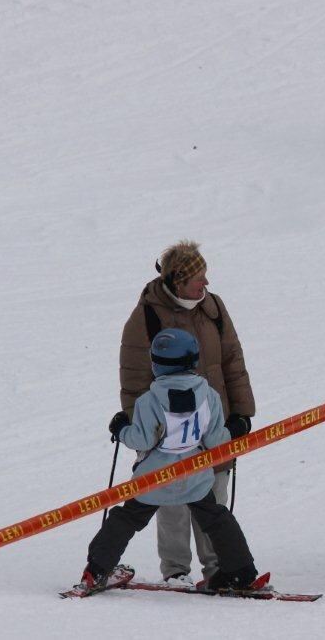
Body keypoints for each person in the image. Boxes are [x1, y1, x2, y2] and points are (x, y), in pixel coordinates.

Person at [119, 240, 255, 585]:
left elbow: (232, 361)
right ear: (177, 280)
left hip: (212, 419)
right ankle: (176, 570)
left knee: (214, 494)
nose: (205, 283)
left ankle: (218, 568)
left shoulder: (213, 307)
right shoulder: (147, 315)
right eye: (198, 277)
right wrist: (142, 428)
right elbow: (134, 378)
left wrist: (241, 411)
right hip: (168, 429)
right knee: (171, 499)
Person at [79, 329, 257, 591]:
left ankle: (97, 570)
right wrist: (237, 428)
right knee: (217, 519)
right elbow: (216, 440)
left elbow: (142, 441)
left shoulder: (148, 401)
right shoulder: (209, 396)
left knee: (125, 519)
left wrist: (121, 430)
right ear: (194, 361)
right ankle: (241, 573)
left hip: (155, 479)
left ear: (155, 364)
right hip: (195, 476)